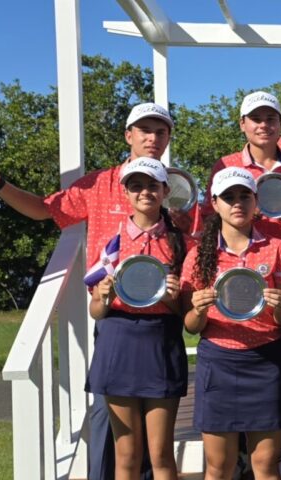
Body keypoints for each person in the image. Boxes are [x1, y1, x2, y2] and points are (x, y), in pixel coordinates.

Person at [0, 102, 178, 480]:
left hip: (162, 325)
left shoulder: (174, 190)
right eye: (144, 130)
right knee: (109, 431)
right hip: (113, 320)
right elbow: (44, 210)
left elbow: (203, 238)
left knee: (156, 452)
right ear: (128, 135)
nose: (152, 138)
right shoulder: (97, 184)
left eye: (160, 131)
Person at [182, 167, 281, 480]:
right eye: (228, 197)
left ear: (256, 201)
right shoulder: (198, 255)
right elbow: (192, 327)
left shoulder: (278, 249)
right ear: (215, 203)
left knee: (265, 467)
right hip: (219, 360)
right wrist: (199, 309)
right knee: (219, 468)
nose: (237, 203)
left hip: (266, 358)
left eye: (244, 196)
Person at [85, 158, 190, 480]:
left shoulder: (181, 242)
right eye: (136, 186)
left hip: (161, 341)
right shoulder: (111, 242)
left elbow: (186, 316)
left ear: (165, 190)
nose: (145, 192)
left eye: (152, 185)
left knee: (160, 454)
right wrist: (103, 294)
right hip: (117, 341)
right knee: (127, 455)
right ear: (126, 193)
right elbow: (96, 311)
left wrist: (173, 299)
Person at [211, 90, 281, 250]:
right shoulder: (226, 165)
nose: (263, 125)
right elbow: (208, 217)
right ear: (242, 124)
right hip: (238, 260)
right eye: (256, 119)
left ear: (280, 124)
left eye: (270, 119)